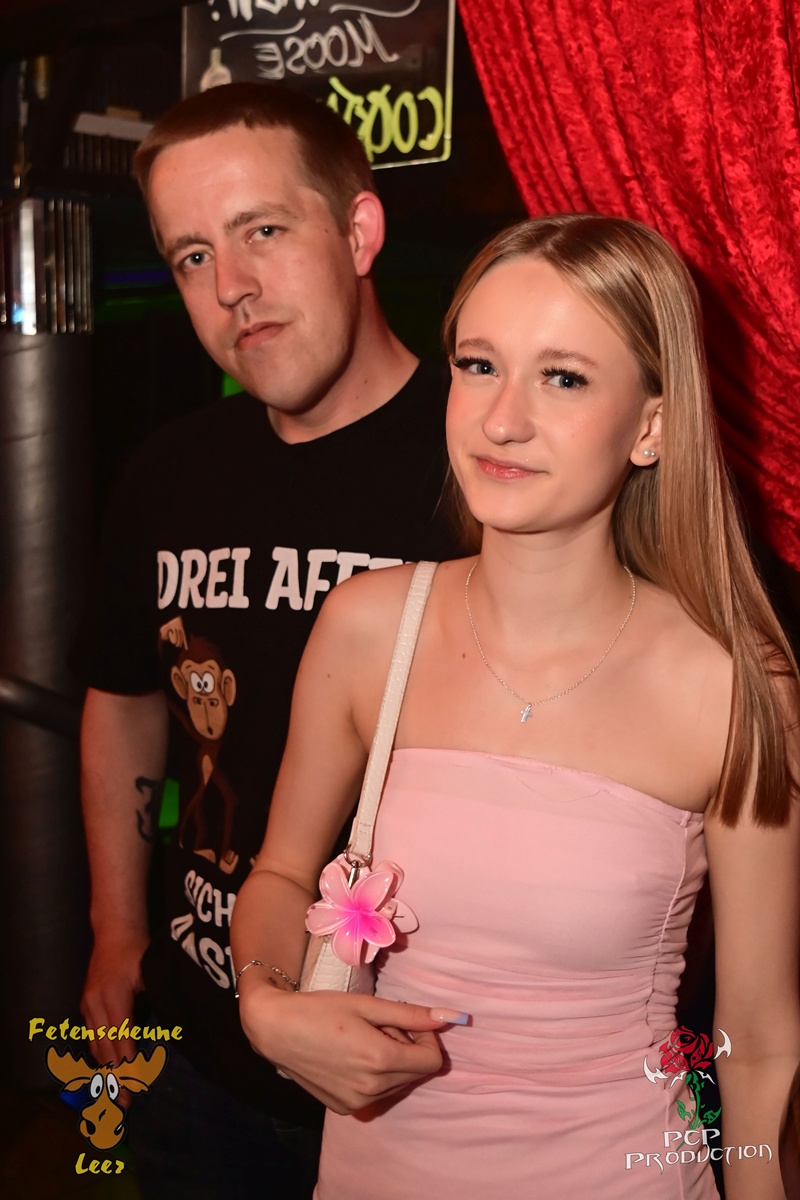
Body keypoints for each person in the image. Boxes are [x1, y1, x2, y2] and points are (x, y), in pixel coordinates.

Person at [231, 213, 800, 1200]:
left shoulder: (731, 683)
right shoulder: (368, 628)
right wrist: (265, 1005)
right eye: (479, 365)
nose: (501, 420)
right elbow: (279, 874)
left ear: (652, 426)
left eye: (563, 378)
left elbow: (755, 1042)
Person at [70, 82, 455, 1198]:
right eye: (191, 255)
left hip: (423, 1062)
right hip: (200, 1054)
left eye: (264, 231)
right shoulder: (167, 474)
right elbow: (122, 698)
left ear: (359, 231)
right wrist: (116, 929)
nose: (230, 286)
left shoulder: (487, 466)